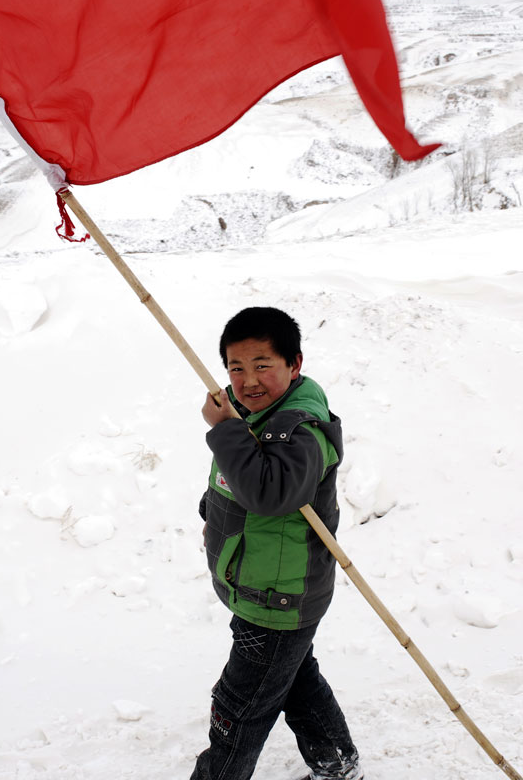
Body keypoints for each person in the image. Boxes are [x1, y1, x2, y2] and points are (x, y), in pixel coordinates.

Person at [192, 307, 363, 780]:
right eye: (236, 367)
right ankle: (338, 768)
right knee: (293, 681)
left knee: (236, 713)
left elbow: (270, 493)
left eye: (262, 365)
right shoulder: (246, 409)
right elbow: (234, 479)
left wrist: (224, 430)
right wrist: (212, 511)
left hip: (278, 598)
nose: (248, 380)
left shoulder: (301, 429)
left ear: (295, 364)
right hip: (257, 585)